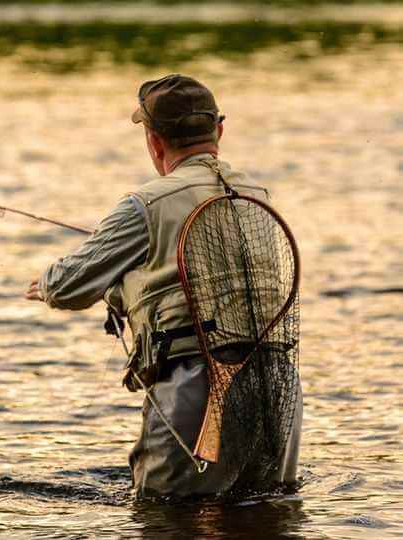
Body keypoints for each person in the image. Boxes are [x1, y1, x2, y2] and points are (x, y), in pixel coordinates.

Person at [25, 74, 302, 499]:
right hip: (279, 388)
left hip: (195, 387)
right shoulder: (258, 194)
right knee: (265, 511)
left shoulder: (146, 205)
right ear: (219, 131)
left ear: (154, 142)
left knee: (164, 515)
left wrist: (46, 283)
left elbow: (68, 287)